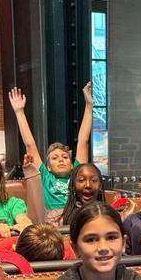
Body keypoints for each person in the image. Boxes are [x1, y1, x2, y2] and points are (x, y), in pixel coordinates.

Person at [8, 83, 93, 220]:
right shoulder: (45, 177)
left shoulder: (77, 174)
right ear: (48, 167)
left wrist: (89, 106)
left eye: (65, 157)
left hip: (76, 217)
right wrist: (19, 112)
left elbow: (83, 140)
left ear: (71, 165)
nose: (60, 159)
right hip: (53, 220)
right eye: (54, 158)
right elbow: (30, 145)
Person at [60, 162, 105, 226]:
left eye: (94, 180)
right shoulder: (60, 220)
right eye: (81, 180)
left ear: (100, 186)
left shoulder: (109, 217)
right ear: (73, 186)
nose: (88, 185)